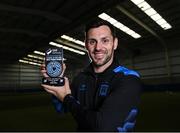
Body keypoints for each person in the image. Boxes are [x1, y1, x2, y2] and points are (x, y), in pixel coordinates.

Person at [41, 19, 142, 132]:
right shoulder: (80, 78)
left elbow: (102, 127)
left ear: (115, 43)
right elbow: (61, 108)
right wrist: (55, 80)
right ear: (86, 45)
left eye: (105, 40)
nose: (98, 47)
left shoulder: (128, 78)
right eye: (92, 42)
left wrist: (66, 98)